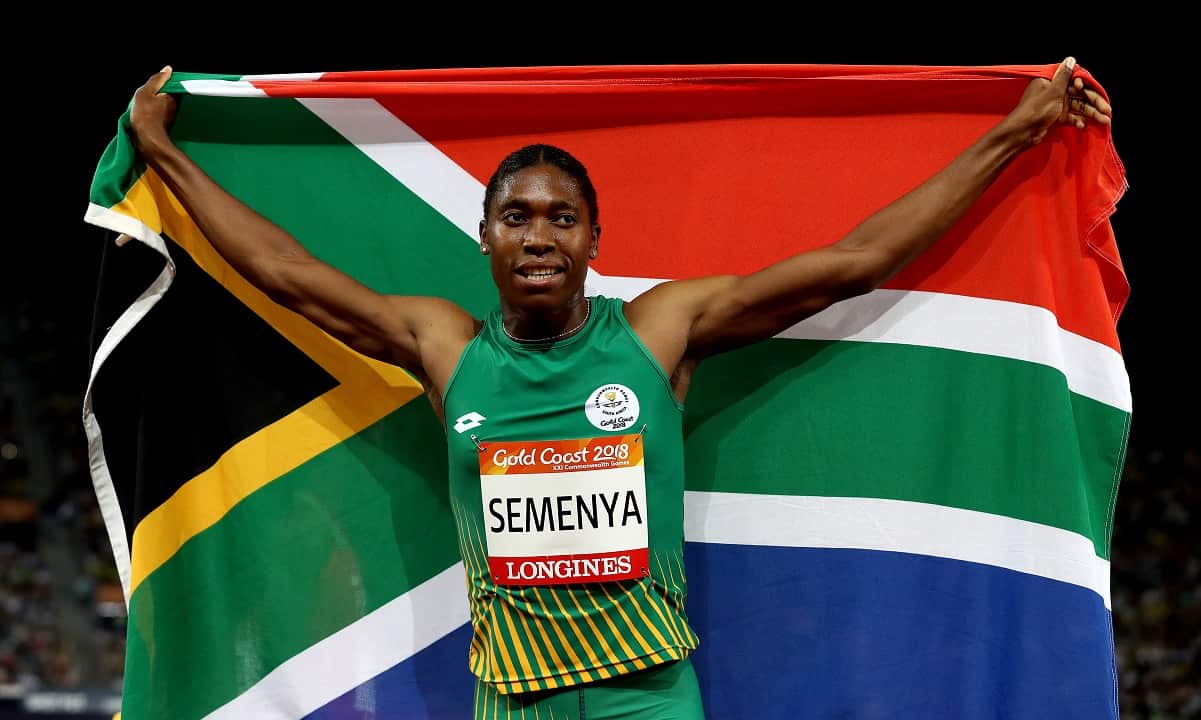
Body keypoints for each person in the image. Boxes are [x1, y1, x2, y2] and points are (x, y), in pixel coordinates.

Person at [125, 59, 1111, 719]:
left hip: (647, 694)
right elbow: (289, 276)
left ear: (594, 242)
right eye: (516, 216)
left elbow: (853, 261)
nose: (540, 235)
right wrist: (164, 151)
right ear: (486, 237)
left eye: (562, 218)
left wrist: (1014, 133)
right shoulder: (443, 345)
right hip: (509, 699)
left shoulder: (656, 333)